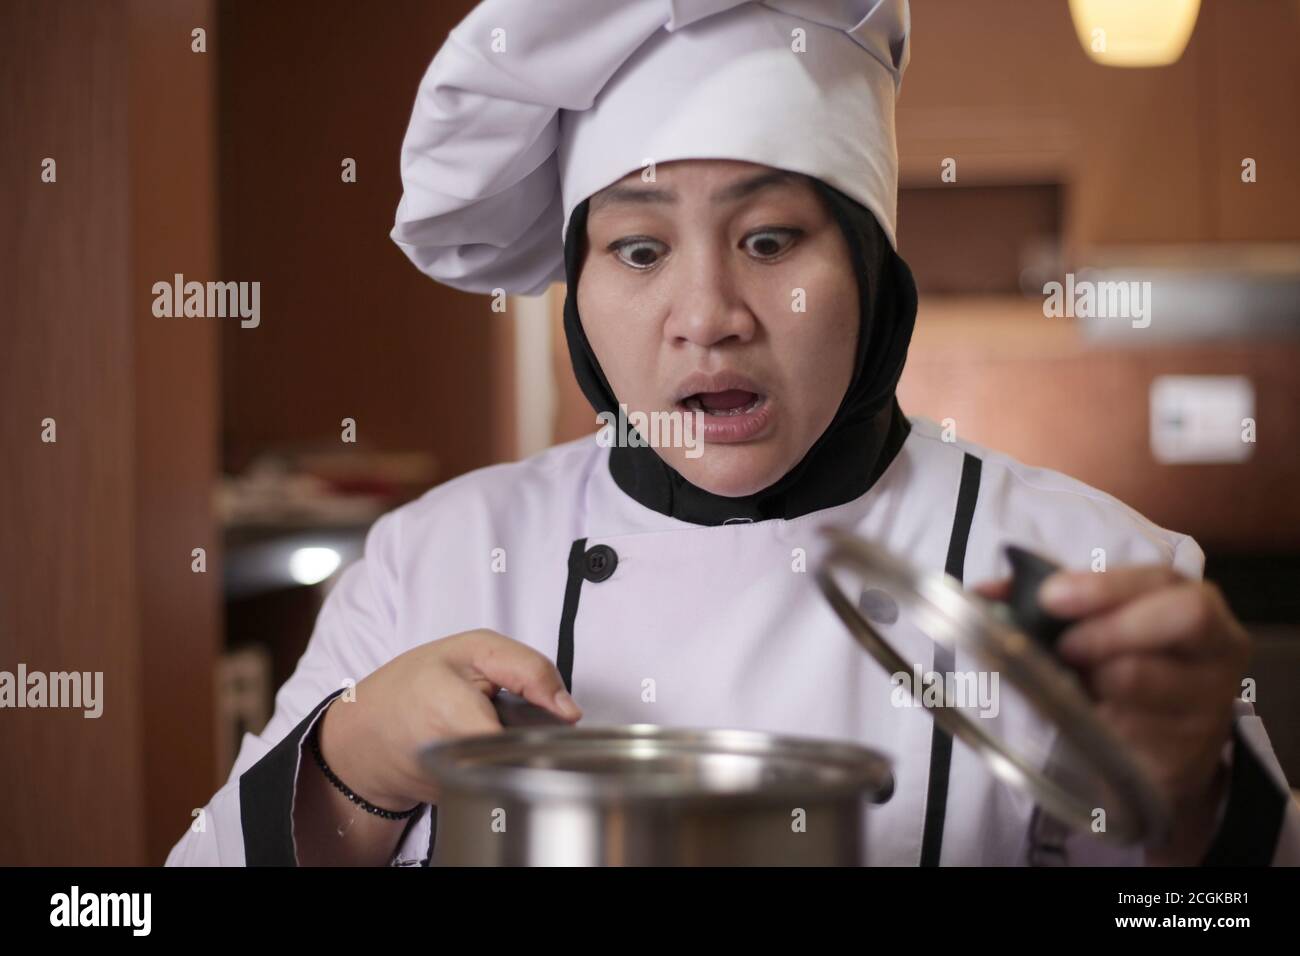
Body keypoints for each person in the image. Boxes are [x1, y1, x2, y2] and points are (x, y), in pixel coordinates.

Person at [167, 0, 1298, 867]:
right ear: (575, 291)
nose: (707, 316)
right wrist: (354, 764)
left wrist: (1188, 797)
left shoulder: (1086, 567)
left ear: (869, 273)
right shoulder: (435, 558)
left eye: (769, 239)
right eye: (640, 250)